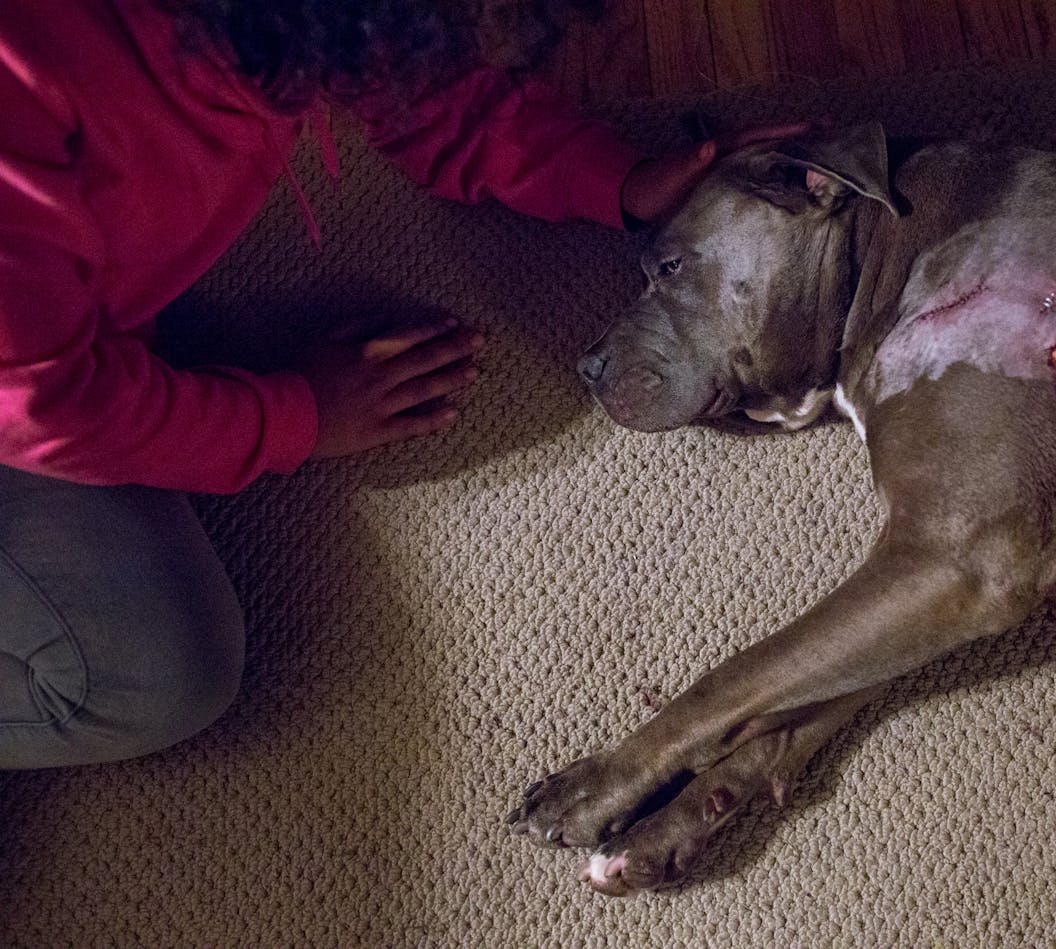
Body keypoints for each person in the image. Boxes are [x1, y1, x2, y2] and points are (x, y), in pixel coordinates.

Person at [0, 0, 798, 769]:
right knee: (159, 672)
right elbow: (52, 403)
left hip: (55, 322)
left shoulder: (311, 28)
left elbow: (418, 90)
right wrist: (292, 419)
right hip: (27, 393)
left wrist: (617, 182)